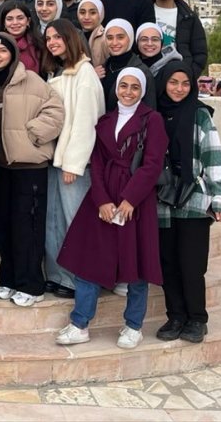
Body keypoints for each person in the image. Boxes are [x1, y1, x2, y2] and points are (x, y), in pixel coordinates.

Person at [55, 67, 168, 349]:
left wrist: (130, 199)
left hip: (135, 202)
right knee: (88, 262)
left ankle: (133, 325)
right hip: (103, 197)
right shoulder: (105, 121)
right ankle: (79, 323)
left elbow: (152, 164)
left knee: (136, 266)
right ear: (116, 88)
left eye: (134, 87)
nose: (128, 92)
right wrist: (103, 200)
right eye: (123, 86)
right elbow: (96, 163)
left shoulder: (151, 120)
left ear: (142, 91)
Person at [0, 33, 64, 307]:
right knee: (4, 227)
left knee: (27, 228)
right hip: (2, 167)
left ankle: (31, 284)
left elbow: (55, 111)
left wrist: (31, 134)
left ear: (12, 54)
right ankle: (9, 279)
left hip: (29, 167)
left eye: (2, 51)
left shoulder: (31, 80)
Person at [155, 61, 221, 344]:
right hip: (161, 201)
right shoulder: (155, 113)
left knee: (191, 264)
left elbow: (213, 154)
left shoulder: (200, 115)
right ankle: (175, 316)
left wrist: (219, 197)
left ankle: (197, 318)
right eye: (173, 82)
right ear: (164, 83)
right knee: (168, 264)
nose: (178, 89)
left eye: (185, 83)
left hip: (195, 200)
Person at [43, 19, 106, 299]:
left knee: (74, 223)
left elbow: (86, 121)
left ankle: (83, 280)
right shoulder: (58, 72)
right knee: (54, 222)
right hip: (55, 160)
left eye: (58, 37)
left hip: (73, 165)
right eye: (49, 38)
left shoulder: (85, 73)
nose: (53, 42)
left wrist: (74, 163)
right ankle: (60, 276)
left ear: (71, 38)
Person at [148, 0, 208, 78]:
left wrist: (189, 76)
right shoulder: (143, 14)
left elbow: (200, 53)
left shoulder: (189, 17)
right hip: (150, 77)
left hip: (179, 80)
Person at [101, 19, 155, 112]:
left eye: (120, 37)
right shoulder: (104, 67)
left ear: (130, 38)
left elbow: (150, 110)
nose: (114, 42)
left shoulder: (142, 72)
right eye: (109, 38)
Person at [0, 1, 47, 78]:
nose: (15, 22)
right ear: (4, 23)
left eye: (20, 18)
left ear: (28, 21)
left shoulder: (39, 45)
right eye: (9, 19)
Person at [76, 0, 108, 70]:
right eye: (82, 12)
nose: (86, 17)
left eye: (93, 13)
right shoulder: (74, 35)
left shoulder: (106, 37)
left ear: (100, 14)